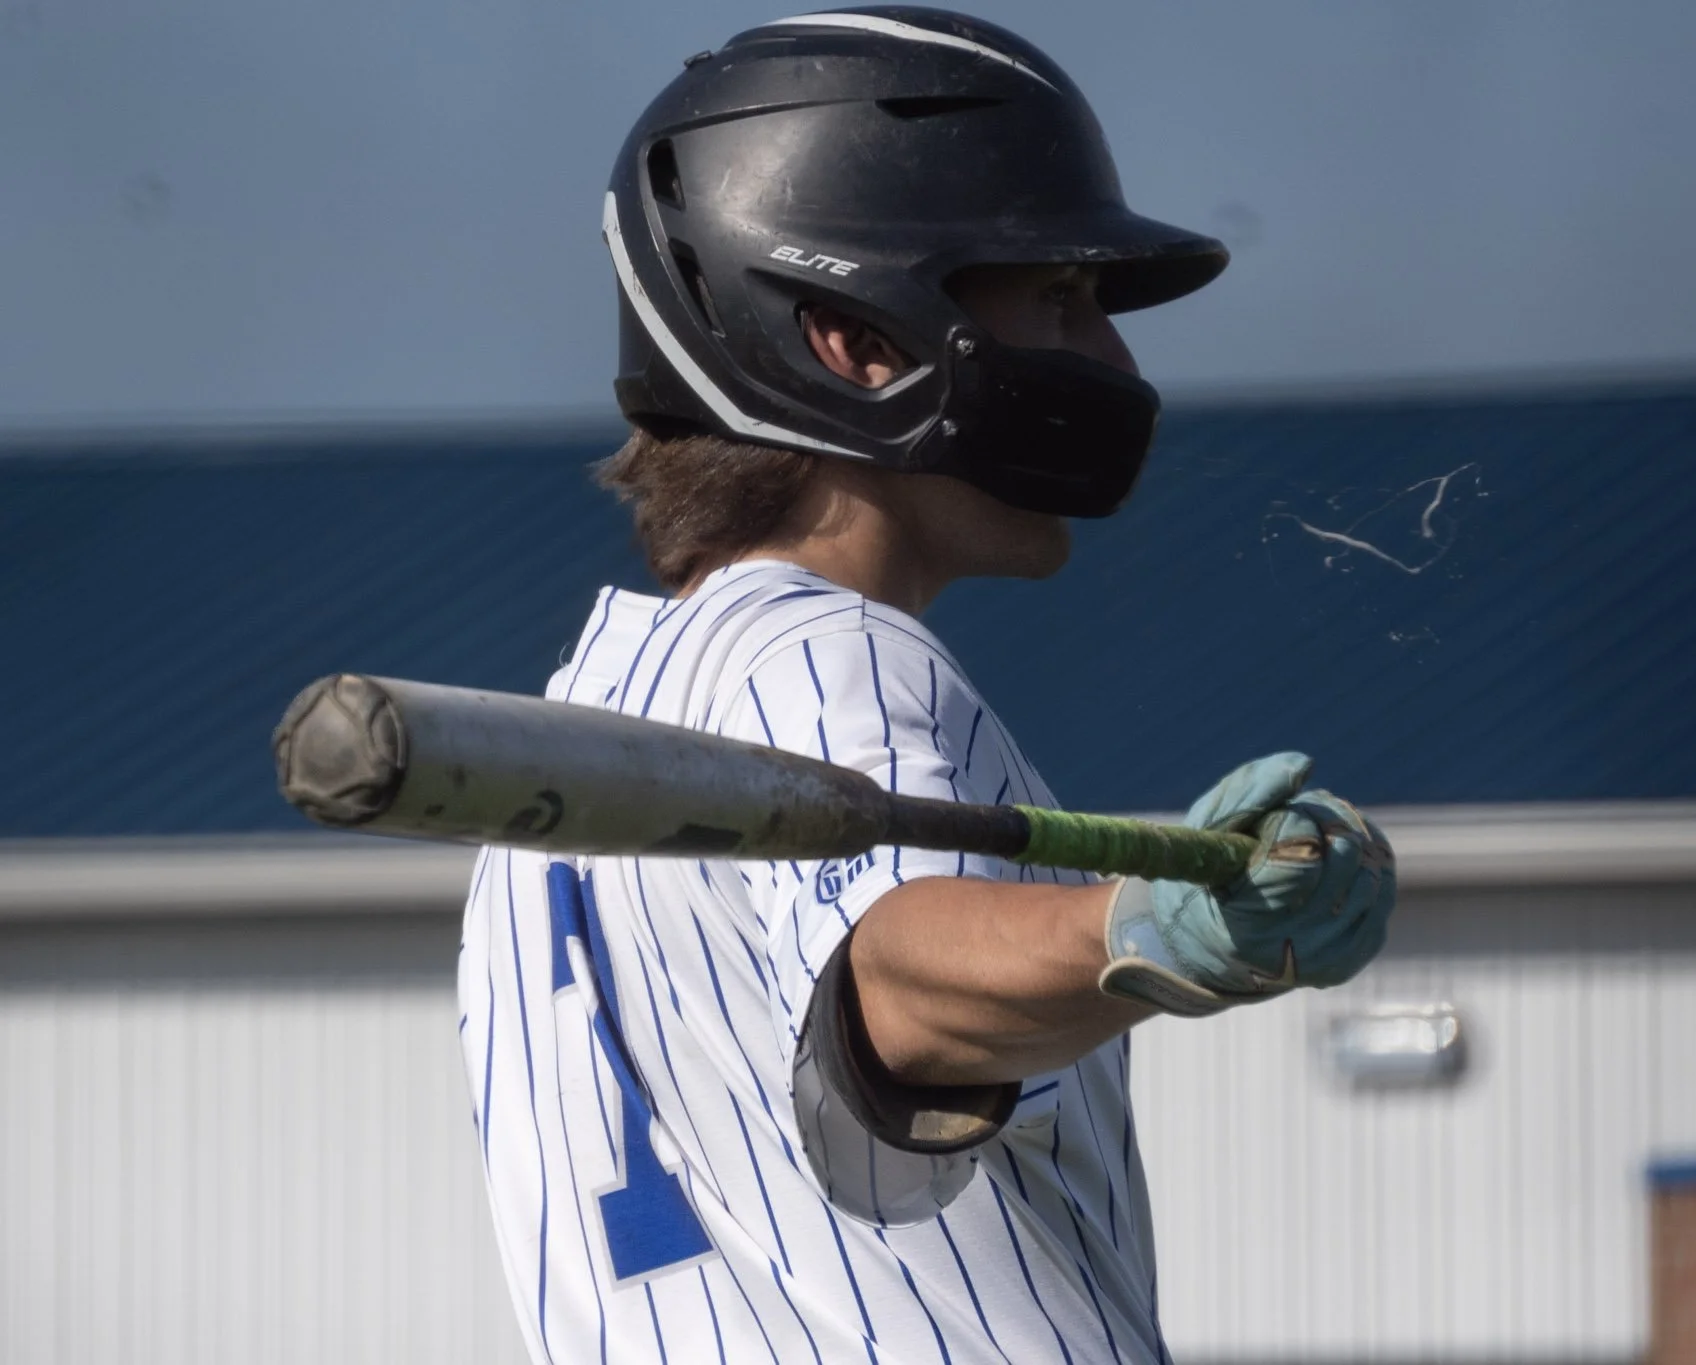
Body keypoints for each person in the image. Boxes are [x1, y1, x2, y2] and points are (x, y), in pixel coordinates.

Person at [456, 9, 1396, 1363]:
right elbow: (893, 976)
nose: (1116, 364)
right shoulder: (820, 650)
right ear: (853, 336)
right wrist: (1149, 929)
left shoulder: (579, 727)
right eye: (1060, 299)